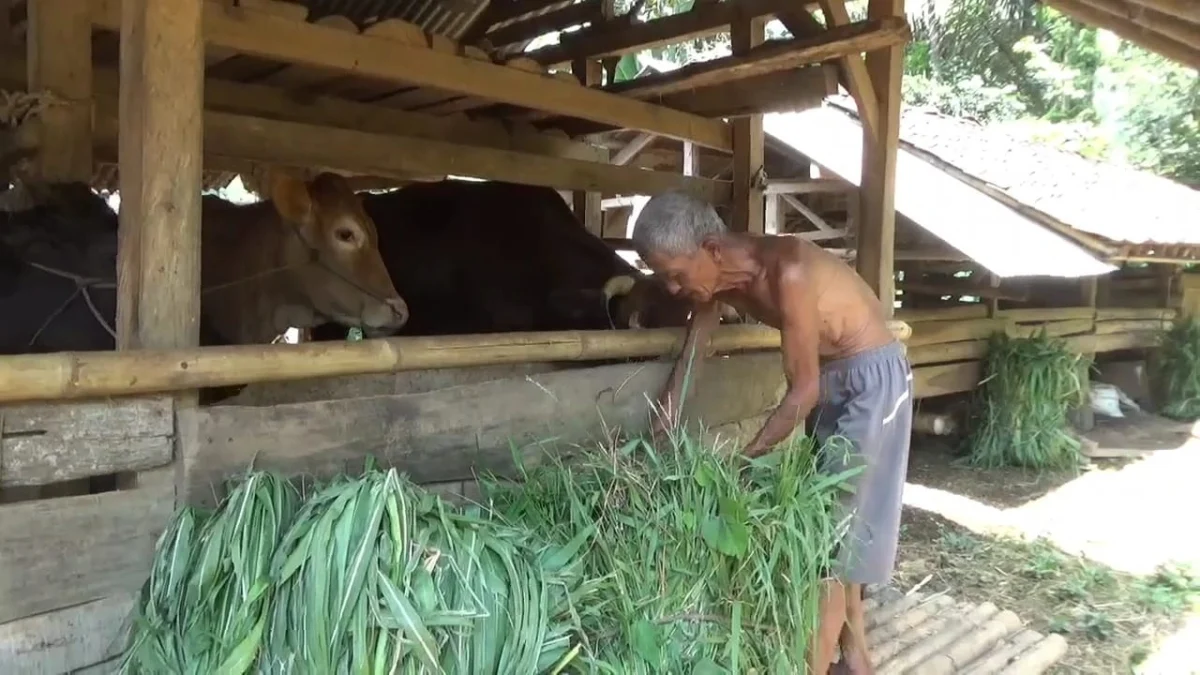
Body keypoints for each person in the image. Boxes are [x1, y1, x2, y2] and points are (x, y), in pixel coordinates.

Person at [631, 191, 913, 674]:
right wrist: (661, 427)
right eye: (664, 279)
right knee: (836, 530)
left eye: (676, 275)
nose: (673, 289)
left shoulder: (790, 270)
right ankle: (857, 660)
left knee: (830, 544)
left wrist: (745, 461)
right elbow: (695, 352)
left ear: (712, 248)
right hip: (833, 382)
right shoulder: (717, 283)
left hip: (870, 380)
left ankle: (815, 667)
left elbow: (801, 391)